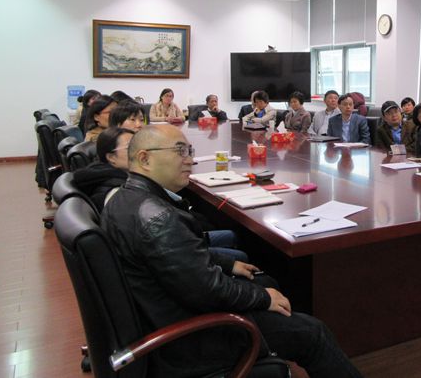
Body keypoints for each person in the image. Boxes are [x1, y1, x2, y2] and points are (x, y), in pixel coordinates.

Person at [101, 125, 361, 377]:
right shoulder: (159, 219)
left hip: (163, 314)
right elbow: (207, 290)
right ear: (145, 159)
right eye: (180, 151)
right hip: (191, 339)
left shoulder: (126, 199)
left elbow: (181, 257)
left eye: (189, 151)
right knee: (313, 333)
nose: (189, 160)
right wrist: (263, 298)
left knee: (265, 280)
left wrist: (229, 264)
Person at [73, 127, 133, 211]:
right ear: (111, 157)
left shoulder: (110, 174)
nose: (141, 152)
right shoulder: (117, 192)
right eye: (130, 148)